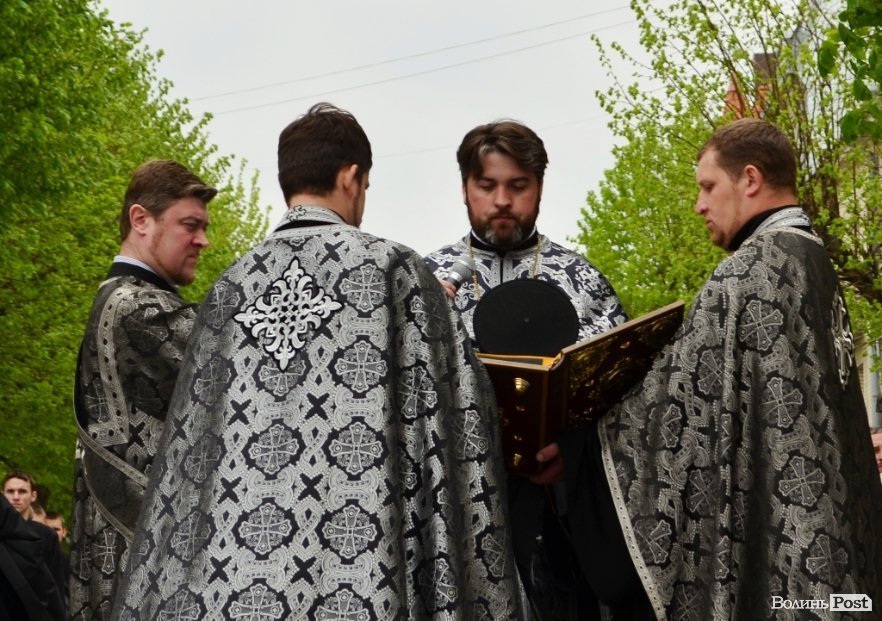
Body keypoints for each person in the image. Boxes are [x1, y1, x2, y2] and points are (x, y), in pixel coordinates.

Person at [112, 103, 526, 620]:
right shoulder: (393, 269)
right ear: (351, 178)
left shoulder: (230, 288)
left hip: (237, 588)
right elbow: (461, 418)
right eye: (365, 187)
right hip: (364, 573)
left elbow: (190, 451)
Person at [535, 118, 882, 619]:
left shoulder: (749, 272)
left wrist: (579, 445)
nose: (699, 205)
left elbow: (669, 409)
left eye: (708, 186)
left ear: (750, 179)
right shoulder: (812, 258)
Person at [425, 119, 627, 619]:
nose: (502, 201)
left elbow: (625, 394)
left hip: (557, 521)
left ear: (539, 187)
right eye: (487, 185)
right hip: (455, 511)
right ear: (465, 188)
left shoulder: (582, 281)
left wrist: (574, 449)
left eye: (518, 186)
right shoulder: (425, 281)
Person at [69, 159, 216, 620]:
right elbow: (244, 364)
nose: (203, 240)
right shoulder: (137, 308)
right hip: (140, 567)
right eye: (190, 225)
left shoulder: (125, 297)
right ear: (140, 219)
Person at [3, 471, 68, 613]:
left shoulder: (46, 535)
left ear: (33, 496)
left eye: (22, 491)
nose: (15, 497)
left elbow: (56, 579)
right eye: (10, 491)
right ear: (3, 494)